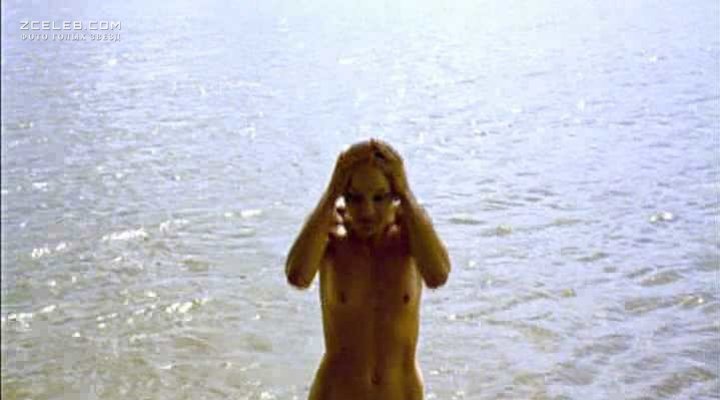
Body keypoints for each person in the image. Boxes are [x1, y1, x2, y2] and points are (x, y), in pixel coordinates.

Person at [286, 139, 451, 400]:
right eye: (355, 198)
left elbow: (438, 276)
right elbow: (297, 276)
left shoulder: (410, 232)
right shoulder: (330, 231)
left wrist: (406, 192)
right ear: (343, 194)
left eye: (379, 197)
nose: (367, 211)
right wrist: (331, 193)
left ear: (394, 195)